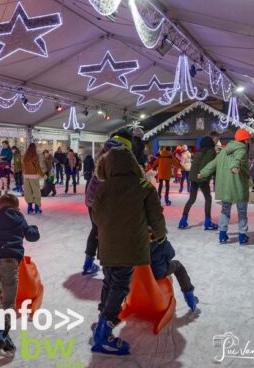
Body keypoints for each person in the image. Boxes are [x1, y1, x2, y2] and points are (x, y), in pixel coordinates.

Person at [91, 146, 166, 356]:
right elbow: (156, 217)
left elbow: (95, 217)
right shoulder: (143, 186)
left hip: (106, 245)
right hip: (130, 245)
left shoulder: (103, 188)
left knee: (109, 282)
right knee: (120, 287)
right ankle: (103, 333)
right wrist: (159, 234)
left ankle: (101, 320)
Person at [0, 194, 40, 355]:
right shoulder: (19, 217)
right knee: (8, 302)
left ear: (0, 206)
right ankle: (2, 333)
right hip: (9, 263)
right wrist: (33, 229)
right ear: (16, 207)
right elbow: (32, 236)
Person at [84, 128, 134, 276]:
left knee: (96, 230)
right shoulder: (122, 156)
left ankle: (88, 264)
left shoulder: (104, 150)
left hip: (92, 198)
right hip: (106, 200)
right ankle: (110, 269)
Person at [199, 129, 252, 244]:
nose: (249, 142)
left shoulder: (223, 151)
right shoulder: (242, 150)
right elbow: (237, 160)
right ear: (245, 140)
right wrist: (234, 167)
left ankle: (222, 234)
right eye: (248, 139)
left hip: (225, 186)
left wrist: (203, 172)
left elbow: (213, 164)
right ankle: (242, 236)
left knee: (225, 210)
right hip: (238, 186)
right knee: (242, 211)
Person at [179, 136, 218, 230]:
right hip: (201, 176)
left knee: (192, 199)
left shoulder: (199, 151)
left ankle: (183, 220)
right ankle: (208, 221)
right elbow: (208, 164)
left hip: (193, 177)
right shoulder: (211, 151)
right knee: (208, 198)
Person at [150, 237, 198, 312]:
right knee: (178, 267)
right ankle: (190, 297)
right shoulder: (160, 241)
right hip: (157, 273)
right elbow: (171, 254)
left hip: (137, 275)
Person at [22, 143, 45, 214]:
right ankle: (37, 208)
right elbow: (37, 167)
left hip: (26, 176)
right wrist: (43, 175)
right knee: (36, 191)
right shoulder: (35, 156)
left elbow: (22, 166)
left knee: (28, 192)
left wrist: (25, 173)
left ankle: (29, 207)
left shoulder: (25, 156)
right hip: (33, 176)